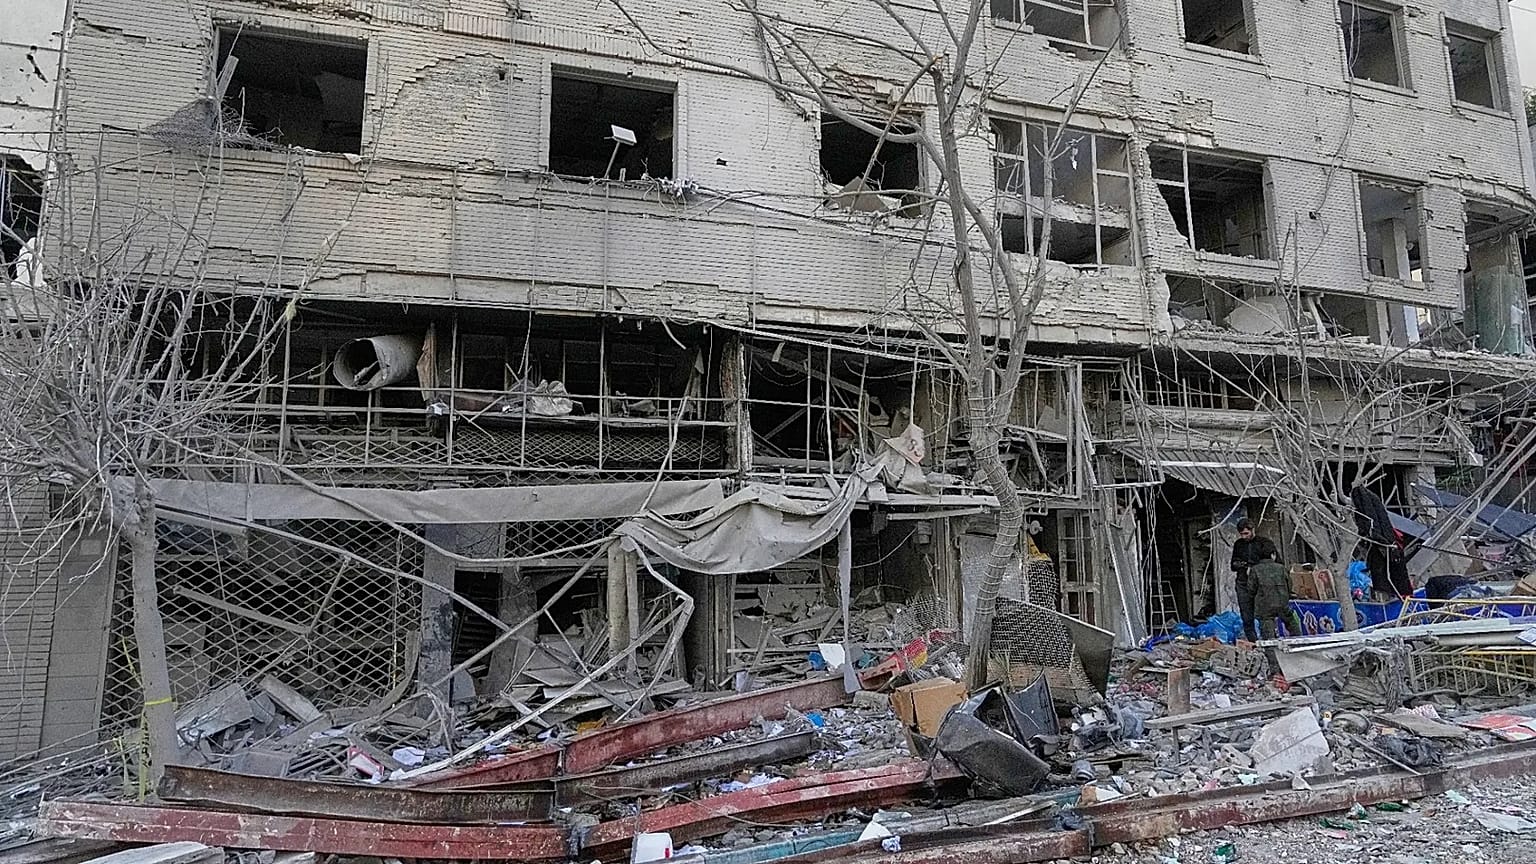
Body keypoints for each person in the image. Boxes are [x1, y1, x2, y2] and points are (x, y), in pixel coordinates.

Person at [1230, 518, 1278, 642]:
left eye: (1246, 533)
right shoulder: (1239, 545)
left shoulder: (1265, 543)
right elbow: (1233, 565)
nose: (1244, 537)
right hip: (1243, 583)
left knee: (1265, 615)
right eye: (1242, 534)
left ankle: (1268, 641)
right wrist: (1243, 566)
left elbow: (1276, 563)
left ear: (1252, 530)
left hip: (1261, 584)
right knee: (1246, 615)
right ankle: (1253, 642)